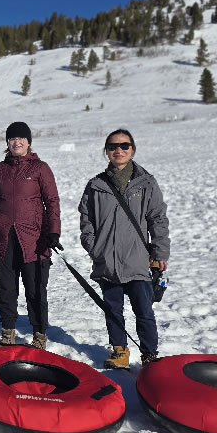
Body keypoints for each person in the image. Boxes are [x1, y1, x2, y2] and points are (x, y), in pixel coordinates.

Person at [78, 128, 169, 368]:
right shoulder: (95, 185)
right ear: (106, 151)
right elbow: (86, 219)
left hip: (137, 259)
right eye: (113, 146)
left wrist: (159, 253)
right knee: (112, 310)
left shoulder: (146, 183)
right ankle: (120, 352)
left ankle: (149, 355)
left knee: (144, 311)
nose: (118, 150)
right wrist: (94, 247)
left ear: (132, 149)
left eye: (124, 146)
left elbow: (158, 219)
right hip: (106, 260)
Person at [0, 122, 61, 348]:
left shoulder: (40, 168)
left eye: (21, 139)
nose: (17, 142)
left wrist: (53, 231)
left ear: (28, 142)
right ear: (7, 143)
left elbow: (52, 201)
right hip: (4, 239)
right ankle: (8, 331)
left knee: (35, 289)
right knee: (6, 288)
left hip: (34, 240)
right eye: (12, 139)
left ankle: (39, 334)